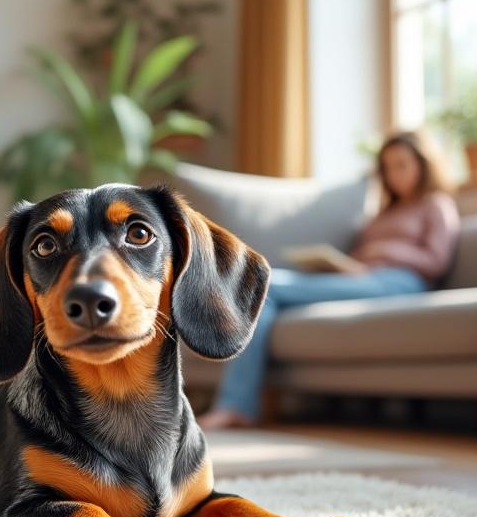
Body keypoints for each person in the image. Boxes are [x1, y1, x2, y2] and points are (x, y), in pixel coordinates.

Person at [196, 130, 461, 431]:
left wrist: (388, 250)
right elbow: (360, 257)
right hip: (362, 279)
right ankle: (236, 407)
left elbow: (437, 261)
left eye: (402, 164)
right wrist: (341, 265)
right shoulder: (383, 214)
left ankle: (230, 389)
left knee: (266, 283)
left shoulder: (436, 205)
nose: (394, 174)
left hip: (400, 282)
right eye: (388, 167)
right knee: (263, 301)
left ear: (424, 165)